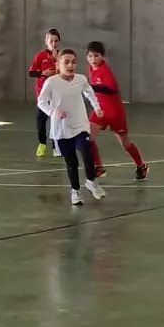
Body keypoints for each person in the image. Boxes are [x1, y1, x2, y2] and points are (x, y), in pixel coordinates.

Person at [37, 47, 106, 207]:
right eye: (66, 62)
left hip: (80, 125)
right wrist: (53, 112)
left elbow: (90, 94)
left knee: (87, 151)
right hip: (61, 129)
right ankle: (75, 191)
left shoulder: (81, 79)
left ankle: (91, 181)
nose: (70, 65)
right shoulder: (52, 82)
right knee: (71, 162)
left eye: (73, 62)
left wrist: (97, 108)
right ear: (58, 65)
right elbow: (41, 101)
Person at [85, 41, 147, 181]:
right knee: (87, 136)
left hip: (115, 112)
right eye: (90, 56)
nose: (93, 59)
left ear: (103, 56)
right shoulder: (91, 69)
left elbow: (111, 89)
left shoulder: (105, 71)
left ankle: (141, 166)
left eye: (96, 56)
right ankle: (99, 167)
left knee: (125, 143)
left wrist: (92, 88)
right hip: (100, 110)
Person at [27, 28, 62, 157]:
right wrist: (43, 73)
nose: (53, 43)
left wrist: (58, 70)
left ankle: (55, 146)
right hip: (43, 94)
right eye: (51, 40)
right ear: (46, 41)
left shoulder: (61, 56)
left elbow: (67, 73)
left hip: (56, 94)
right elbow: (31, 72)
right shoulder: (41, 56)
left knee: (56, 121)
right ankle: (42, 143)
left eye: (56, 41)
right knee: (41, 120)